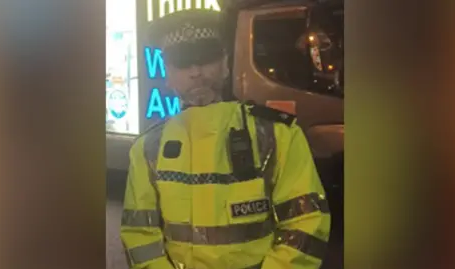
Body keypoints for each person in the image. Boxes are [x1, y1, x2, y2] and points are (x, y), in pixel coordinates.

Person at [120, 9, 331, 269]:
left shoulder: (278, 134)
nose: (196, 71)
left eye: (206, 57)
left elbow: (307, 222)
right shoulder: (147, 148)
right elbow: (140, 235)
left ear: (225, 64)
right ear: (168, 75)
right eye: (183, 61)